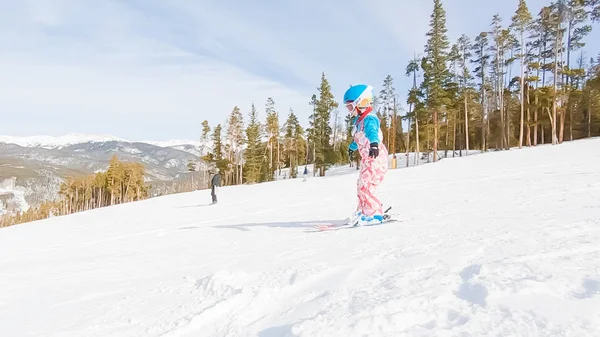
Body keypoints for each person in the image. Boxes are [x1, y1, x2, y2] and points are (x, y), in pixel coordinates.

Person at [344, 84, 389, 225]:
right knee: (361, 184)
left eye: (350, 106)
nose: (349, 111)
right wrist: (352, 148)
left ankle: (374, 214)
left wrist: (374, 144)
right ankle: (364, 211)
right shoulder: (359, 121)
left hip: (376, 158)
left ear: (361, 103)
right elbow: (358, 138)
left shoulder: (369, 119)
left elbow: (372, 132)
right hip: (367, 159)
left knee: (367, 184)